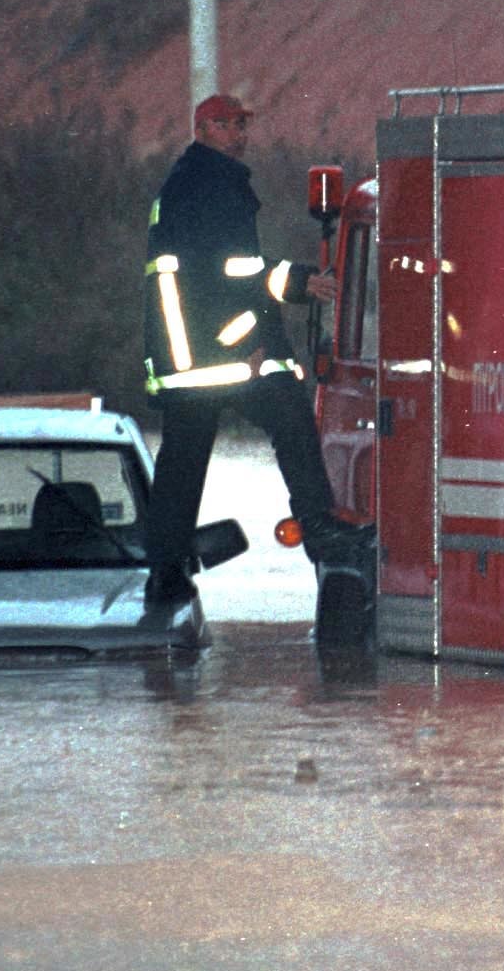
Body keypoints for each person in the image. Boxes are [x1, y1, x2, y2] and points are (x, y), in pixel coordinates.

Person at [141, 92, 369, 609]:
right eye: (229, 125)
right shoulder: (210, 185)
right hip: (219, 350)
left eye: (243, 124)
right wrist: (300, 282)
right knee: (289, 416)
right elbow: (233, 269)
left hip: (187, 354)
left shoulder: (186, 183)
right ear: (205, 129)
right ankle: (319, 528)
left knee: (182, 460)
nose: (240, 134)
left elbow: (217, 269)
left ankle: (165, 570)